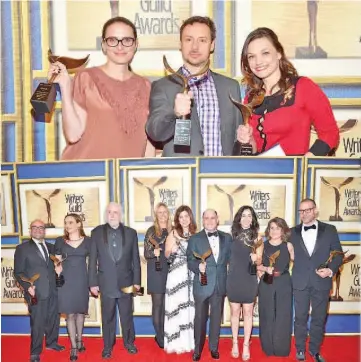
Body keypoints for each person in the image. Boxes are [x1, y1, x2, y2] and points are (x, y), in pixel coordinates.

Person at [48, 16, 155, 160]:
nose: (120, 46)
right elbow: (73, 135)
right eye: (112, 40)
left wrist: (145, 174)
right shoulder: (86, 78)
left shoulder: (145, 86)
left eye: (127, 40)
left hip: (125, 176)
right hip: (87, 175)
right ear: (103, 45)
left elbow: (147, 142)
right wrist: (66, 87)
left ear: (136, 44)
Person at [146, 16, 243, 157]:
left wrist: (246, 139)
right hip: (183, 175)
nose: (195, 47)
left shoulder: (231, 87)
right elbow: (155, 132)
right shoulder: (163, 86)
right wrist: (175, 113)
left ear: (212, 45)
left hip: (222, 175)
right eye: (189, 39)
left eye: (202, 40)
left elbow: (236, 141)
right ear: (180, 44)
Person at [237, 27, 339, 156]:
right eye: (252, 56)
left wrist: (308, 160)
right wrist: (247, 139)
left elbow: (330, 133)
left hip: (295, 173)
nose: (258, 62)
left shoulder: (303, 87)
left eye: (265, 53)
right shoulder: (249, 99)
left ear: (279, 53)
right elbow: (255, 149)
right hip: (261, 173)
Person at [291, 198, 343, 362]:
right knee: (299, 318)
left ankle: (314, 350)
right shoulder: (292, 232)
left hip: (321, 282)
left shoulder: (330, 229)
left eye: (307, 210)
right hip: (300, 281)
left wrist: (330, 270)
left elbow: (339, 254)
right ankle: (300, 350)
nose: (304, 214)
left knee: (319, 318)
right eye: (301, 211)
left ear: (315, 210)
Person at [88, 202, 141, 359]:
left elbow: (136, 260)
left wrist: (137, 282)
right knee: (108, 316)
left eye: (116, 212)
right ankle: (107, 346)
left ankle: (129, 343)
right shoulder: (96, 233)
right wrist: (92, 283)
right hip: (106, 282)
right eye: (109, 212)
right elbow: (92, 260)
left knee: (127, 315)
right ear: (106, 214)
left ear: (121, 215)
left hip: (127, 282)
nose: (112, 215)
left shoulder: (131, 233)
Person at [14, 220, 65, 362]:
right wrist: (27, 287)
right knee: (37, 323)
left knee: (54, 319)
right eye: (34, 227)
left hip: (54, 290)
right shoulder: (22, 249)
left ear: (44, 230)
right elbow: (18, 272)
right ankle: (35, 351)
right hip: (35, 291)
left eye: (41, 227)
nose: (38, 230)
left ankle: (51, 343)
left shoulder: (52, 247)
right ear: (30, 230)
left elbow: (56, 268)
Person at [186, 209, 232, 361]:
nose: (210, 221)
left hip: (220, 284)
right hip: (202, 284)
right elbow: (190, 261)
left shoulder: (227, 237)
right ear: (202, 220)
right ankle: (197, 350)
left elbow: (232, 260)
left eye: (213, 218)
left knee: (216, 319)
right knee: (199, 318)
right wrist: (197, 267)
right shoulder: (195, 239)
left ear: (217, 219)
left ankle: (214, 347)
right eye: (207, 218)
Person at [226, 206, 263, 361]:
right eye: (243, 215)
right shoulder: (231, 236)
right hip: (234, 278)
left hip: (249, 278)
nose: (246, 218)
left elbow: (260, 259)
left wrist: (257, 259)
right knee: (235, 313)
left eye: (249, 215)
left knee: (248, 313)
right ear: (239, 218)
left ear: (253, 219)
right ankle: (235, 343)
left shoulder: (257, 237)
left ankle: (246, 345)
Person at [54, 213, 92, 361]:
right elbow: (56, 260)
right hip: (66, 281)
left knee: (80, 313)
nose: (67, 225)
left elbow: (95, 259)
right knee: (70, 314)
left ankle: (80, 339)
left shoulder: (88, 241)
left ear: (78, 224)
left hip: (82, 280)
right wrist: (57, 266)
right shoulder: (59, 241)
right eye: (65, 223)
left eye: (70, 222)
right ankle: (74, 348)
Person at [257, 217, 294, 357]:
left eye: (277, 228)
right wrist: (265, 269)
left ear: (283, 230)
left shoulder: (288, 246)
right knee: (267, 314)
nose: (274, 231)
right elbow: (257, 265)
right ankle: (268, 347)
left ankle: (282, 348)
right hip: (267, 282)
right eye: (271, 228)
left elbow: (302, 261)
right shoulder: (262, 245)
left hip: (284, 281)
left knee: (283, 315)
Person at [164, 205, 197, 353]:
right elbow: (167, 257)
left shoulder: (196, 234)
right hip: (177, 274)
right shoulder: (173, 234)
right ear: (178, 219)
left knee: (190, 308)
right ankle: (175, 342)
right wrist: (173, 249)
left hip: (191, 275)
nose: (184, 219)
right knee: (177, 306)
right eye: (181, 217)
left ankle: (189, 341)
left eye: (186, 216)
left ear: (190, 218)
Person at [143, 203, 172, 349]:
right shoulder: (151, 231)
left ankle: (165, 333)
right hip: (156, 271)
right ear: (156, 215)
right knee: (158, 305)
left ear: (168, 213)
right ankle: (160, 336)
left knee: (168, 306)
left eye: (164, 212)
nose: (162, 215)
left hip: (172, 272)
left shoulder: (173, 231)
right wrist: (153, 253)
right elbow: (146, 253)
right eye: (159, 212)